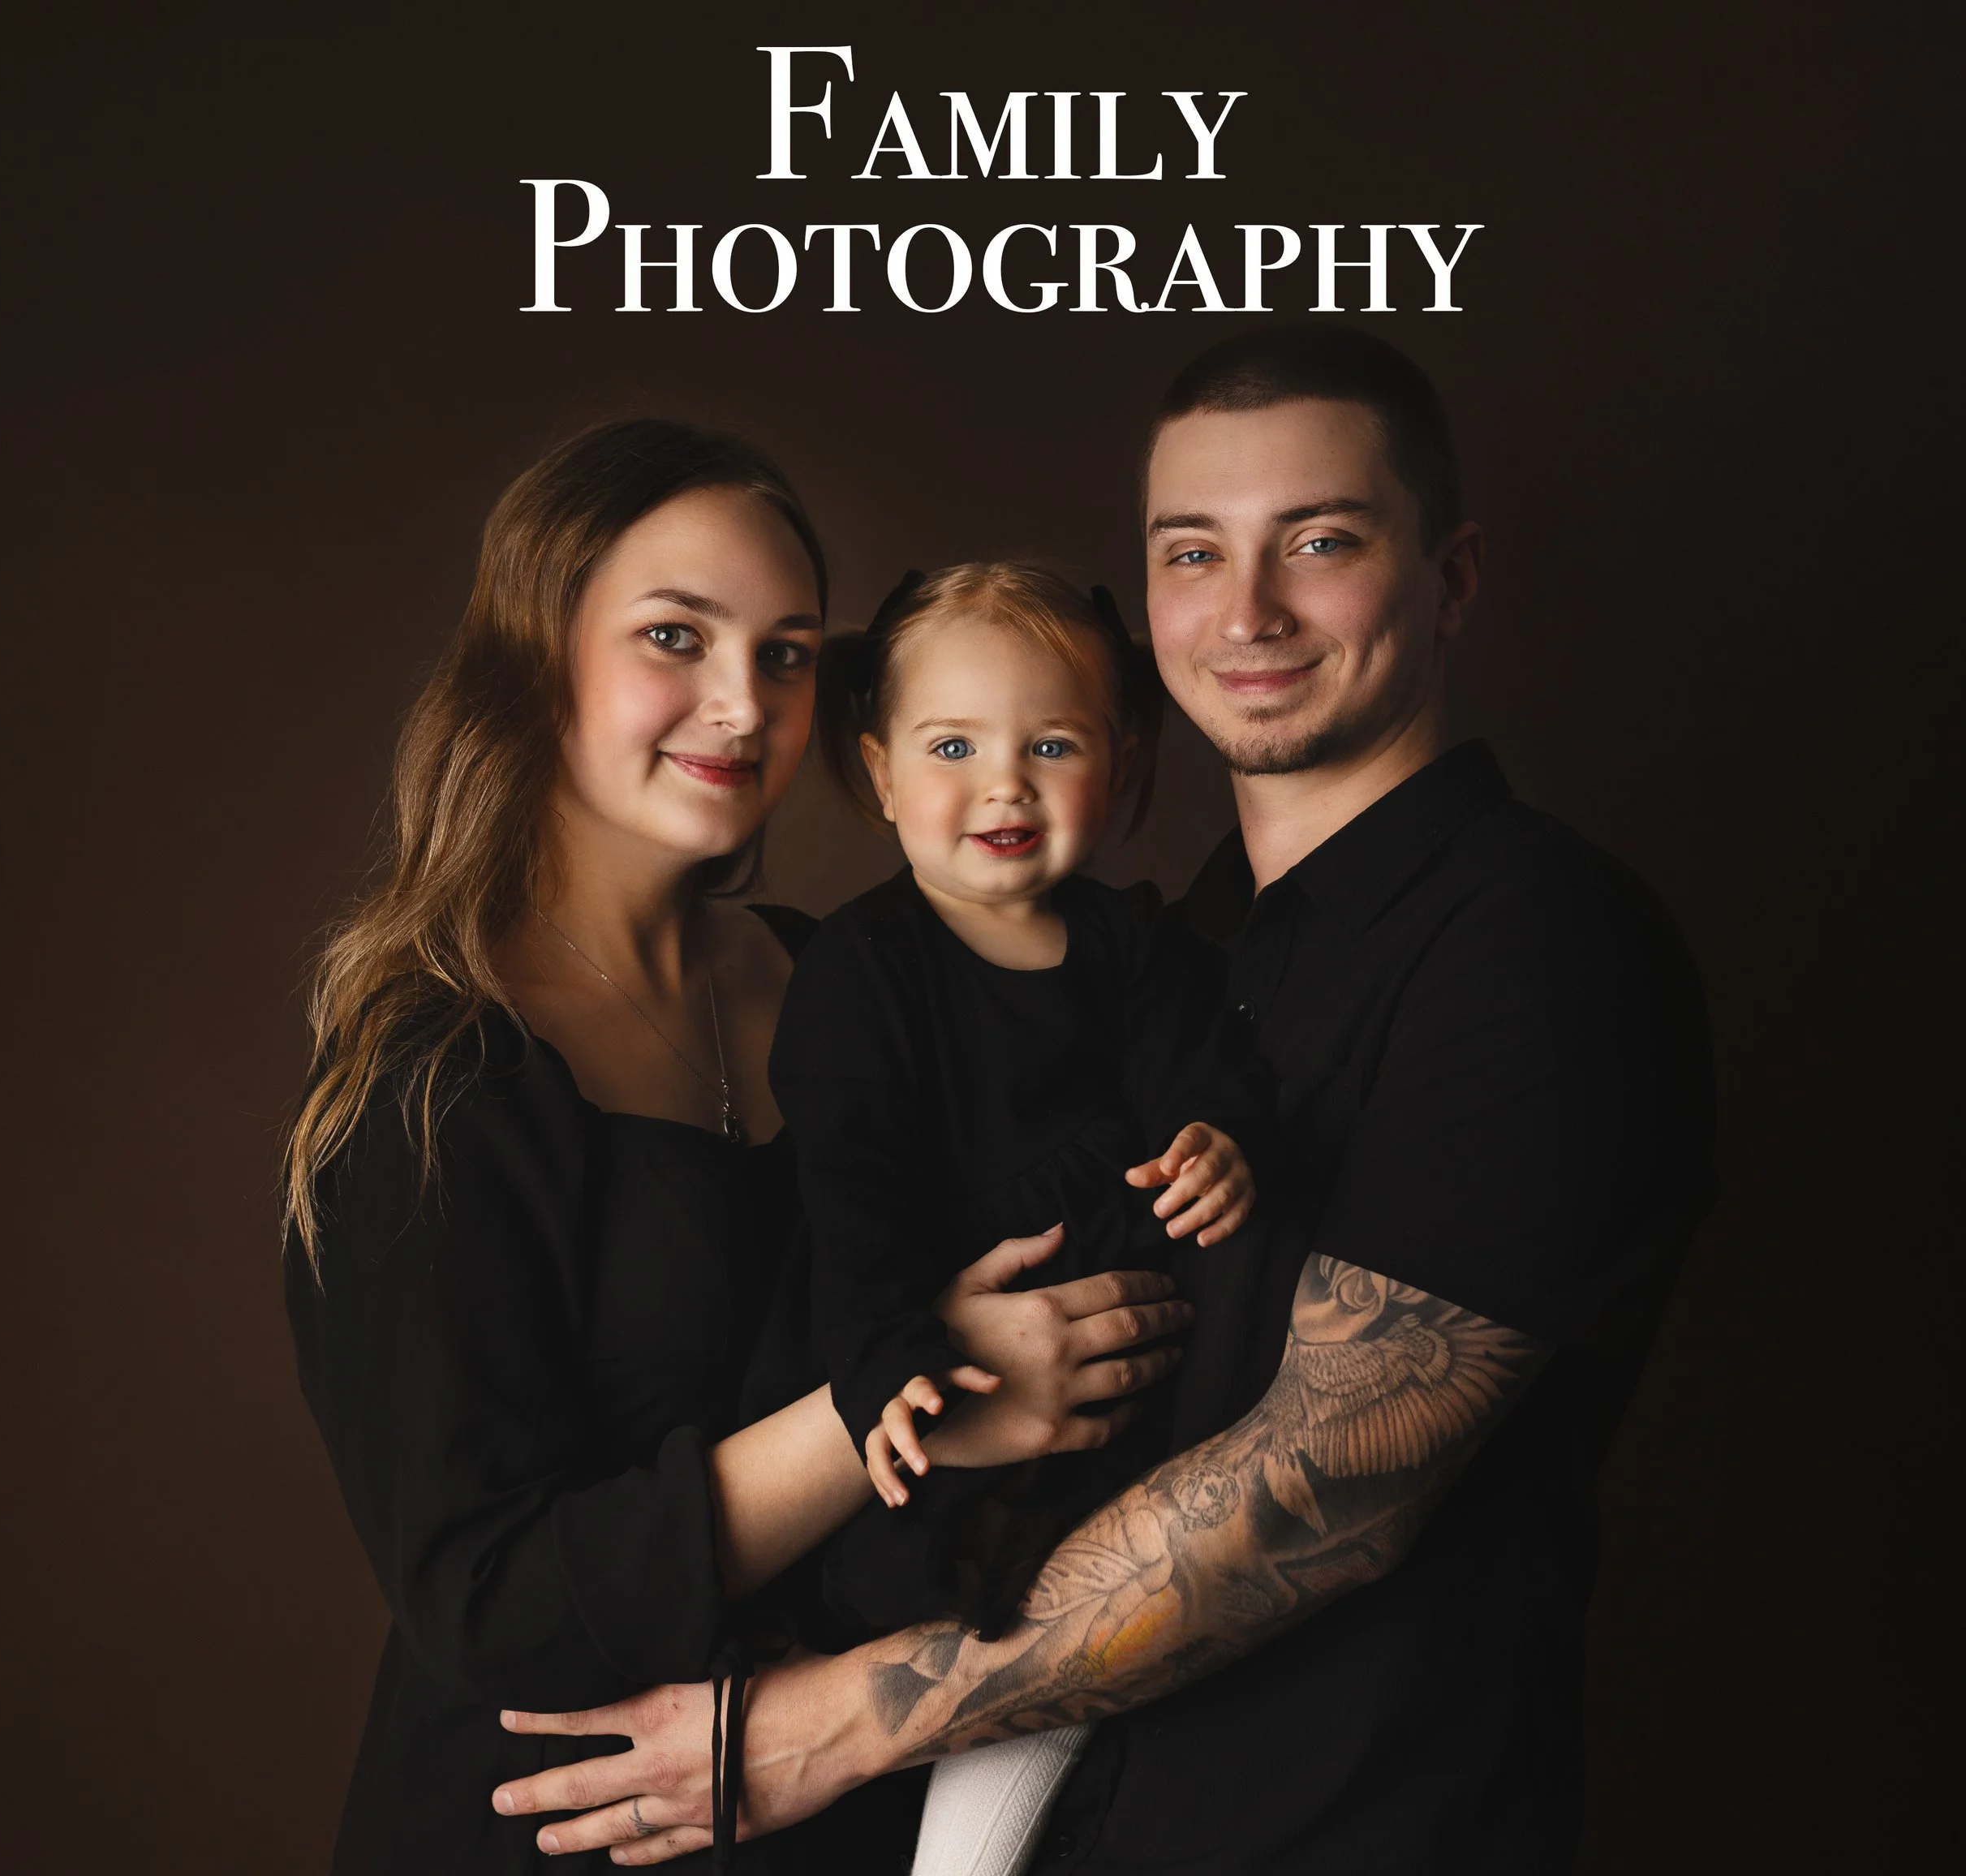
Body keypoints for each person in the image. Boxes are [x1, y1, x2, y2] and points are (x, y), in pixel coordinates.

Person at [484, 326, 1717, 1876]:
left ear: (1452, 576)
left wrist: (827, 1723)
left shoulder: (1528, 941)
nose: (1249, 611)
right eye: (1193, 553)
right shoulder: (1180, 944)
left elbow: (1323, 1490)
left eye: (1321, 542)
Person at [281, 419, 1189, 1874]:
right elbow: (486, 1598)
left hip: (838, 1802)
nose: (740, 703)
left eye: (783, 653)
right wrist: (911, 1399)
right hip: (560, 1830)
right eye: (673, 638)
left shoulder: (842, 977)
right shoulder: (437, 1079)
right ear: (538, 660)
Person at [772, 562, 1267, 1876]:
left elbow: (1208, 1085)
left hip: (1142, 1416)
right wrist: (890, 1369)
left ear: (1127, 771)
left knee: (1135, 1692)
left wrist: (1222, 1142)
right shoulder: (862, 975)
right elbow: (850, 1200)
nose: (1005, 786)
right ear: (879, 775)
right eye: (953, 747)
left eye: (1052, 745)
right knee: (991, 1688)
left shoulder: (1134, 952)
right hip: (969, 1424)